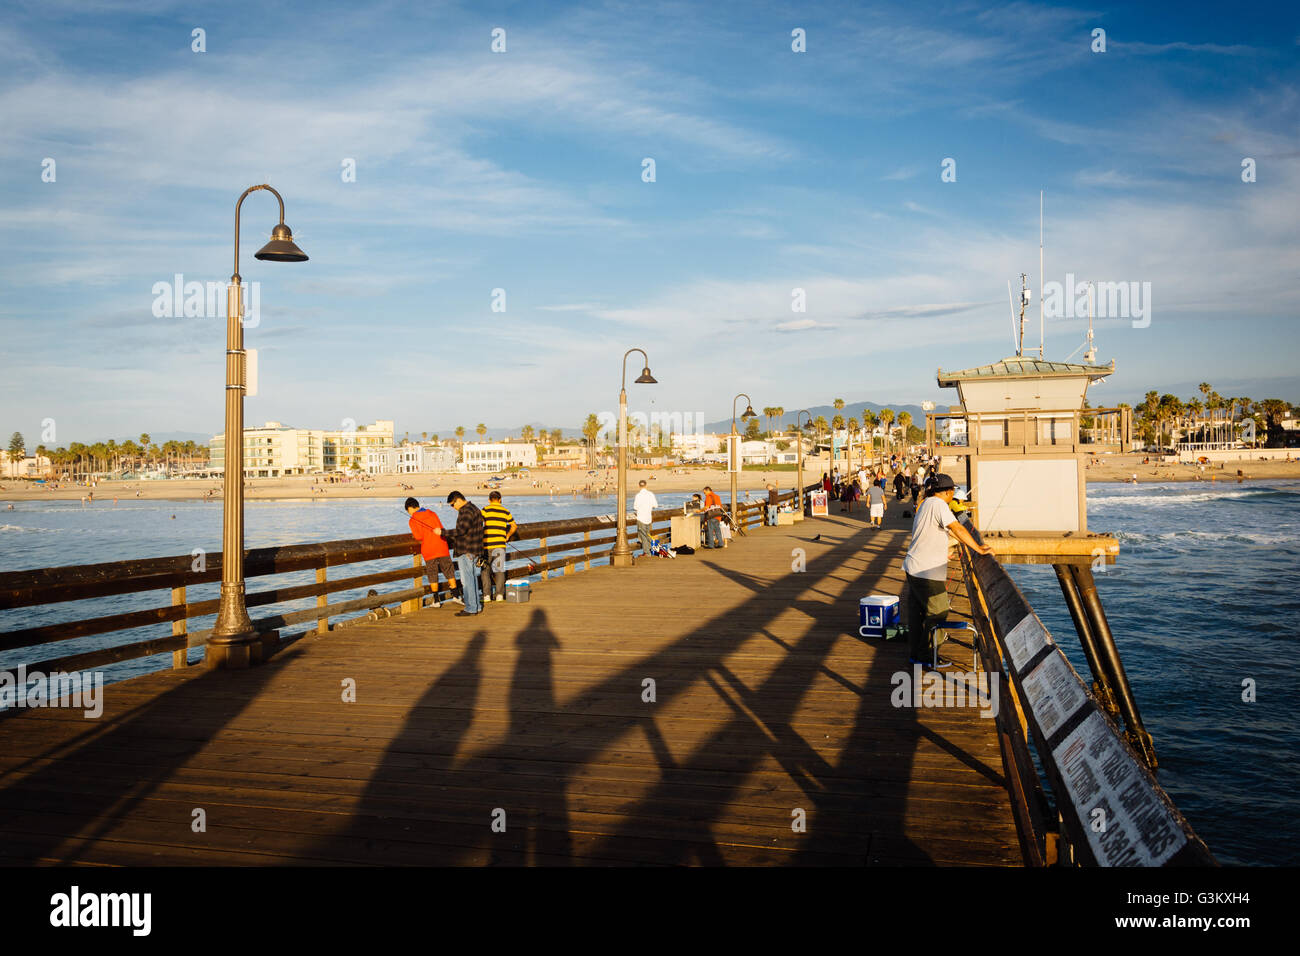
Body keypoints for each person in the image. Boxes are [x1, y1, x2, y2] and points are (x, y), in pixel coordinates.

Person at [902, 474, 992, 669]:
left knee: (918, 614)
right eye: (952, 491)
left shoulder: (926, 503)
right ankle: (928, 657)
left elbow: (938, 532)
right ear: (949, 491)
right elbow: (957, 527)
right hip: (927, 572)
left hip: (914, 567)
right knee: (938, 612)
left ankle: (916, 655)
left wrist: (943, 553)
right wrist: (978, 548)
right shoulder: (939, 505)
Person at [438, 491, 485, 616]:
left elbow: (461, 530)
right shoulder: (474, 508)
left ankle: (471, 608)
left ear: (458, 500)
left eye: (453, 505)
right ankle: (476, 606)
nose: (453, 508)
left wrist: (442, 532)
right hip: (475, 549)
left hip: (466, 550)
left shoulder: (466, 511)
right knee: (473, 579)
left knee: (467, 581)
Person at [406, 496, 457, 607]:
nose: (409, 513)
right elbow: (441, 528)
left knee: (432, 573)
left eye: (408, 511)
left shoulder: (413, 519)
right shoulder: (432, 513)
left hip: (429, 549)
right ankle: (456, 596)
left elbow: (418, 536)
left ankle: (436, 600)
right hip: (442, 546)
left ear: (410, 508)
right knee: (449, 571)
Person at [480, 490, 517, 602]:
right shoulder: (505, 511)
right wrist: (507, 535)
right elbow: (514, 526)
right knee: (499, 570)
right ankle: (499, 595)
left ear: (489, 500)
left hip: (487, 545)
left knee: (485, 570)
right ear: (500, 499)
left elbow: (479, 524)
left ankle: (487, 595)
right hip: (500, 544)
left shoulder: (485, 510)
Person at [634, 479, 658, 555]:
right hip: (648, 518)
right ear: (646, 485)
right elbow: (655, 505)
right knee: (647, 534)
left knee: (643, 536)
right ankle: (652, 550)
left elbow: (635, 507)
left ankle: (647, 553)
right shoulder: (650, 494)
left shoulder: (638, 495)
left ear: (639, 486)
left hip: (641, 518)